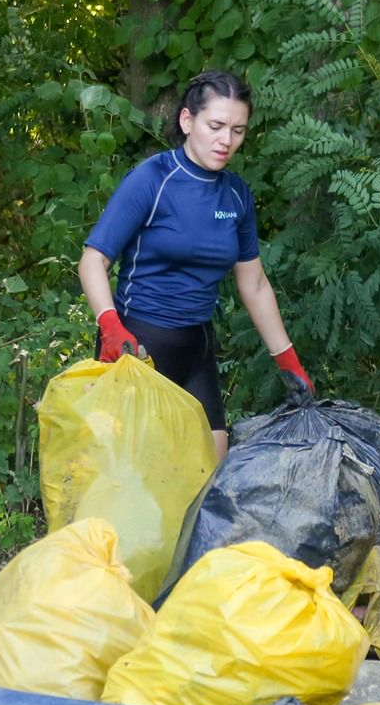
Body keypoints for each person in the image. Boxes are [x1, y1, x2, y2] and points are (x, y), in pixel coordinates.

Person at [78, 69, 310, 460]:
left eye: (238, 130)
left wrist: (287, 360)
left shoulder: (236, 195)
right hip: (139, 344)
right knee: (140, 479)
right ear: (188, 121)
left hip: (196, 346)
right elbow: (92, 260)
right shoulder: (152, 180)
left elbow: (253, 284)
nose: (226, 141)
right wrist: (110, 325)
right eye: (216, 126)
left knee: (211, 470)